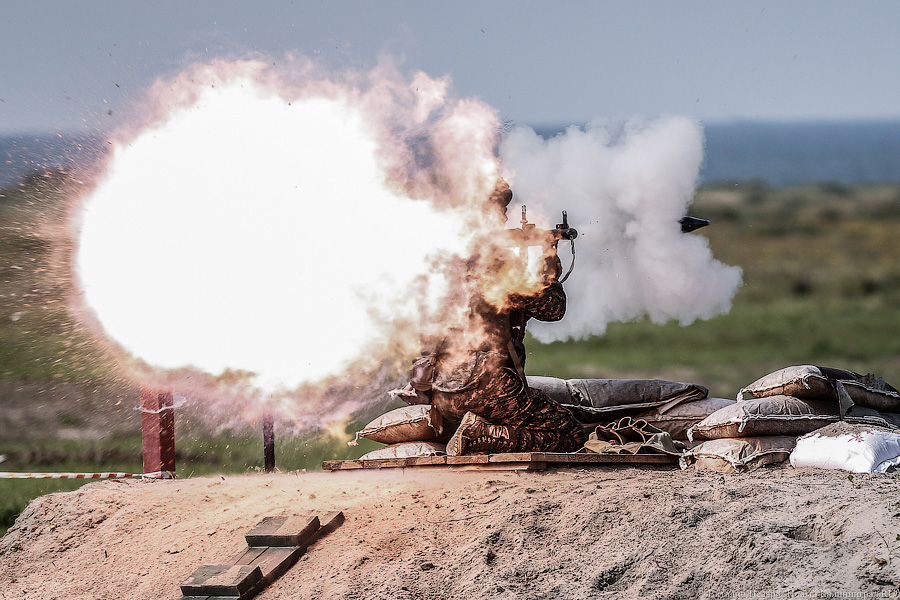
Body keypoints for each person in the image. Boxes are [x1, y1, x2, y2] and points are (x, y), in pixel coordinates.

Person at [407, 180, 586, 455]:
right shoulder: (496, 263)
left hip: (439, 392)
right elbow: (551, 310)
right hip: (485, 386)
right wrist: (549, 275)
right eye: (500, 212)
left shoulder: (442, 259)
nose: (504, 220)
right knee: (570, 433)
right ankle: (482, 436)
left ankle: (474, 432)